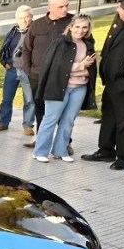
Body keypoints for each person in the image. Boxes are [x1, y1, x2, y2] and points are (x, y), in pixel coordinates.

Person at [33, 15, 97, 163]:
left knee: (68, 120)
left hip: (79, 88)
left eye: (85, 27)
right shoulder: (60, 43)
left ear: (88, 29)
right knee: (50, 119)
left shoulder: (87, 44)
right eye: (78, 27)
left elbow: (91, 69)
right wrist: (81, 66)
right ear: (71, 27)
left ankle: (60, 150)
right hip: (58, 87)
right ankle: (40, 151)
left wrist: (84, 69)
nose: (81, 31)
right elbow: (56, 68)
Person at [22, 0, 74, 151]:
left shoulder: (73, 22)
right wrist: (29, 70)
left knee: (61, 111)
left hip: (61, 76)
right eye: (61, 6)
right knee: (40, 109)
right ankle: (41, 139)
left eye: (67, 5)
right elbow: (26, 49)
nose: (65, 9)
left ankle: (65, 143)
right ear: (50, 7)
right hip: (37, 75)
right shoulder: (37, 25)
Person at [81, 0, 124, 171]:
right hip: (111, 81)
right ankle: (106, 150)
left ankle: (123, 156)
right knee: (108, 116)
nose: (120, 11)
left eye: (123, 10)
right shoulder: (118, 22)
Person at [0, 5, 35, 134]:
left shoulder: (35, 32)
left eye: (27, 17)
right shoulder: (12, 33)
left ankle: (28, 126)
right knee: (6, 99)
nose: (25, 20)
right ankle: (3, 123)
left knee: (29, 100)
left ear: (31, 18)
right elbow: (4, 50)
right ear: (17, 19)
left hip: (28, 71)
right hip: (12, 70)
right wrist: (5, 63)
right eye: (21, 18)